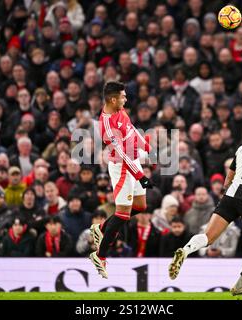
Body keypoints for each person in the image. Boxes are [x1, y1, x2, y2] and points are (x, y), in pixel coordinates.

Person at [169, 117, 242, 296]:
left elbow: (229, 177)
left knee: (208, 236)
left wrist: (229, 189)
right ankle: (240, 284)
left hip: (231, 196)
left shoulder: (241, 148)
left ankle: (185, 250)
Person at [89, 81, 154, 278]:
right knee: (123, 214)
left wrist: (146, 147)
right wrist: (141, 176)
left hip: (132, 161)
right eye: (123, 97)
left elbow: (132, 129)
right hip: (121, 167)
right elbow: (122, 155)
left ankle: (101, 228)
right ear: (113, 99)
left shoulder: (121, 111)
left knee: (141, 206)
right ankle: (100, 256)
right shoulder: (107, 126)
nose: (126, 99)